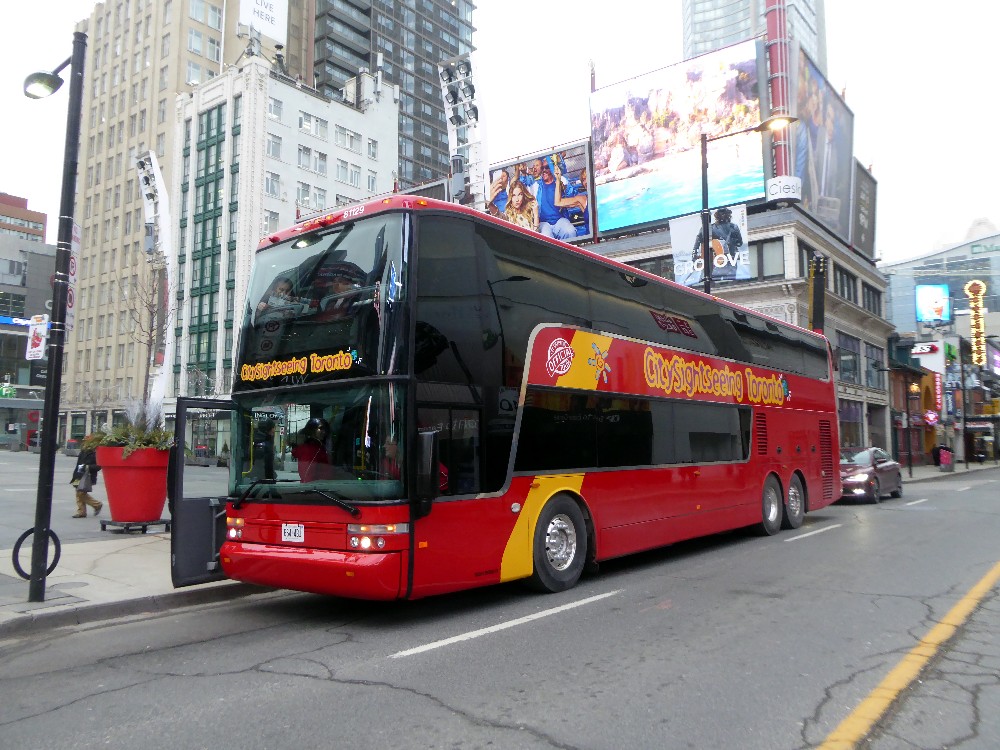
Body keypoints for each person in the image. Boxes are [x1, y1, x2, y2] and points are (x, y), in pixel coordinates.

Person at [691, 207, 744, 282]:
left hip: (715, 260)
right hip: (730, 259)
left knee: (712, 280)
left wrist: (694, 259)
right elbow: (739, 243)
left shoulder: (710, 228)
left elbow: (697, 245)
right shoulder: (733, 227)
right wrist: (731, 242)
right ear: (729, 215)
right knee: (730, 280)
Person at [532, 157, 578, 240]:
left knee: (570, 231)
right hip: (544, 223)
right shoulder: (536, 186)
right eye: (542, 168)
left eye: (547, 167)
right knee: (546, 237)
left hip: (560, 220)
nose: (544, 170)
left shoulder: (561, 180)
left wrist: (561, 183)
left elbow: (572, 195)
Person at [291, 417, 333, 482]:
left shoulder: (319, 447)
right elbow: (308, 475)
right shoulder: (310, 449)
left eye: (325, 429)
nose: (324, 432)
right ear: (311, 430)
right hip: (316, 486)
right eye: (320, 428)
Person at [70, 442, 103, 518]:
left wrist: (87, 467)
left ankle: (97, 504)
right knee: (78, 492)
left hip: (88, 476)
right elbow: (78, 464)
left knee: (81, 493)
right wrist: (75, 475)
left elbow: (98, 466)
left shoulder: (95, 453)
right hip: (79, 474)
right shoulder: (83, 451)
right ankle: (82, 511)